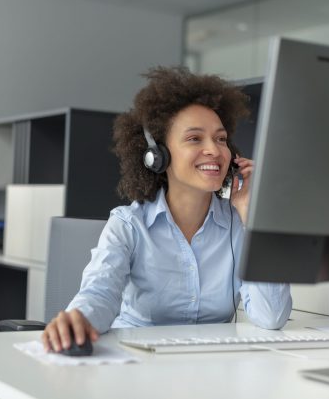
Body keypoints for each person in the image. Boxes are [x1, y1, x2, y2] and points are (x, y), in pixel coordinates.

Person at [42, 67, 292, 352]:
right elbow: (100, 293)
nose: (214, 150)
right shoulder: (129, 225)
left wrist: (251, 214)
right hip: (139, 365)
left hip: (215, 368)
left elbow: (271, 317)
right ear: (157, 156)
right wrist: (78, 319)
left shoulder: (239, 225)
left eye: (221, 139)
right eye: (194, 138)